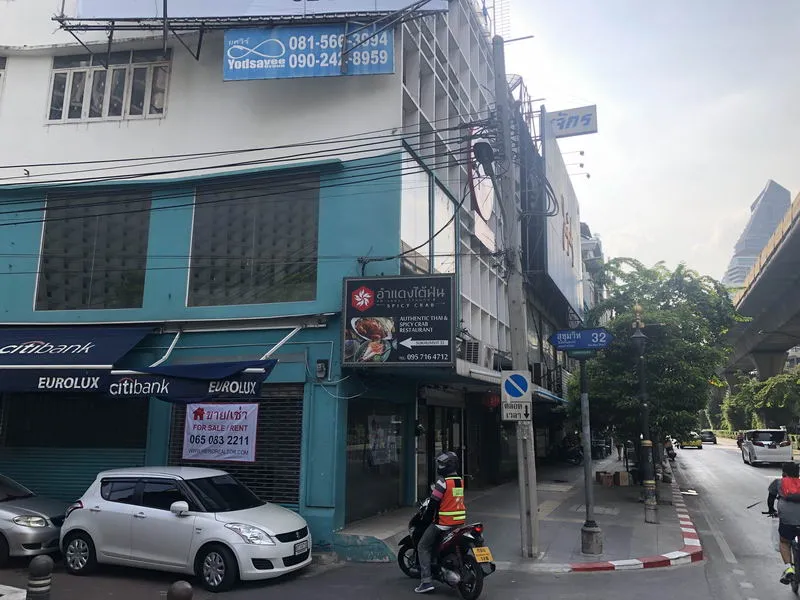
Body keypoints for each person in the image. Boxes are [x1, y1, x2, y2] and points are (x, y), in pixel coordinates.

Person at [415, 451, 465, 594]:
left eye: (443, 464)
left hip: (442, 523)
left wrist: (426, 519)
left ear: (449, 466)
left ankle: (425, 582)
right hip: (459, 522)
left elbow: (433, 504)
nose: (440, 466)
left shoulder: (442, 483)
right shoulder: (459, 481)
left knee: (423, 546)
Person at [767, 461, 800, 584]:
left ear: (783, 473)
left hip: (787, 518)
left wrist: (771, 510)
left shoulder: (778, 483)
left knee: (784, 541)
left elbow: (771, 498)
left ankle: (789, 569)